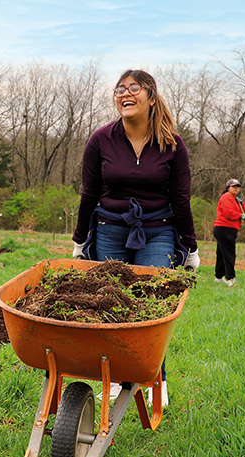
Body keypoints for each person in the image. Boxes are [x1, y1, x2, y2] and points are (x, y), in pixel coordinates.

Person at [71, 69, 199, 406]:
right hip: (109, 231)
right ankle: (112, 380)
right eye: (119, 89)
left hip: (157, 232)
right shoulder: (101, 140)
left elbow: (181, 199)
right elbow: (89, 193)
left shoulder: (172, 144)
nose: (124, 94)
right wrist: (80, 240)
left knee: (152, 306)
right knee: (109, 302)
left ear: (151, 97)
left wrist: (191, 247)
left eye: (133, 88)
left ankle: (156, 378)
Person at [213, 178, 245, 287]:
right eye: (233, 186)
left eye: (237, 187)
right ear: (228, 188)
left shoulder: (234, 199)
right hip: (225, 228)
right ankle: (230, 278)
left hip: (226, 228)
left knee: (222, 253)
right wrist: (240, 216)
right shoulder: (227, 197)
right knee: (229, 253)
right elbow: (229, 213)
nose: (236, 189)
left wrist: (242, 204)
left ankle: (219, 276)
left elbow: (241, 211)